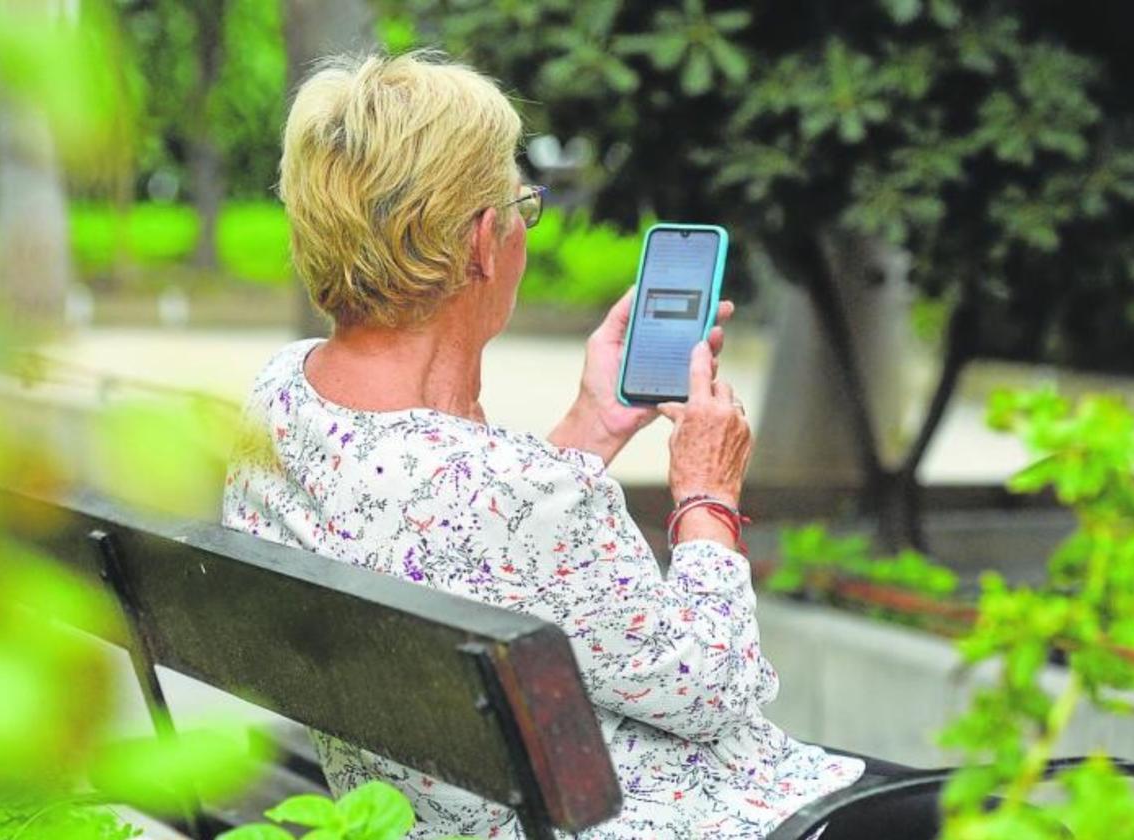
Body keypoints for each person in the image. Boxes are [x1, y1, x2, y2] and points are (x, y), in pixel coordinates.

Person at [223, 51, 864, 839]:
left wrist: (588, 429)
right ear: (483, 244)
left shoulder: (278, 400)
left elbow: (458, 538)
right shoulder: (519, 492)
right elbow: (715, 688)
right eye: (522, 203)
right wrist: (707, 496)